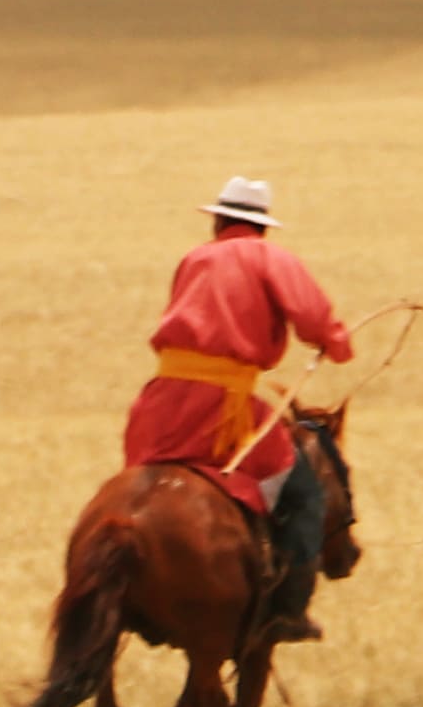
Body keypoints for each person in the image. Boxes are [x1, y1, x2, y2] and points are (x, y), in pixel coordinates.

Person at [130, 176, 353, 643]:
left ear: (217, 220)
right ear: (263, 228)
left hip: (160, 402)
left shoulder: (193, 258)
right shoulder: (272, 258)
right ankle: (287, 609)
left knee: (141, 487)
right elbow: (312, 316)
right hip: (222, 406)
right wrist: (335, 342)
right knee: (303, 493)